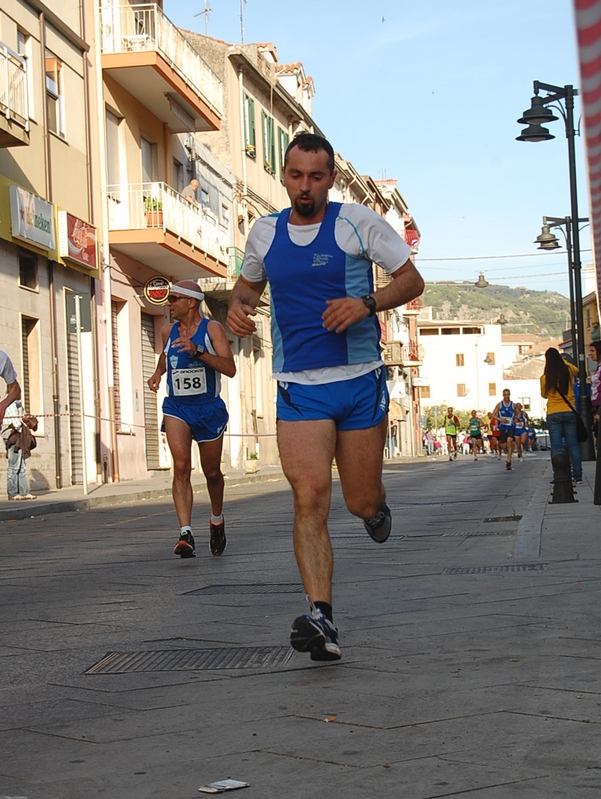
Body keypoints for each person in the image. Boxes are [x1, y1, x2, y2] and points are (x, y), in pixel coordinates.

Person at [226, 132, 424, 662]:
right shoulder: (264, 234)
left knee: (359, 500)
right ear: (284, 175)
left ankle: (375, 509)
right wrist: (237, 311)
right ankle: (322, 617)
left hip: (359, 381)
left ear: (330, 179)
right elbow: (245, 291)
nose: (305, 187)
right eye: (296, 176)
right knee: (309, 498)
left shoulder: (358, 224)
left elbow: (411, 281)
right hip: (299, 389)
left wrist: (366, 304)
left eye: (316, 177)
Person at [148, 280, 236, 558]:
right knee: (181, 466)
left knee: (211, 472)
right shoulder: (167, 330)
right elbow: (166, 358)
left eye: (173, 299)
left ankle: (217, 520)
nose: (169, 304)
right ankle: (185, 532)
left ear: (191, 302)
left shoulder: (213, 330)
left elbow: (230, 368)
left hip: (208, 408)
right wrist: (157, 373)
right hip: (177, 408)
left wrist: (198, 351)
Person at [540, 347, 583, 484]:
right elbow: (576, 369)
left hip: (553, 413)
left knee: (556, 445)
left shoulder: (545, 378)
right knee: (572, 445)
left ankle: (558, 475)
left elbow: (544, 395)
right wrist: (563, 361)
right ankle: (578, 476)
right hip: (570, 411)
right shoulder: (568, 371)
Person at [492, 388, 516, 471]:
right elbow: (492, 414)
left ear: (510, 394)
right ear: (503, 395)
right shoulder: (499, 405)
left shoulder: (513, 405)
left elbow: (519, 413)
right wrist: (500, 420)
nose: (506, 396)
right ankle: (506, 451)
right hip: (502, 427)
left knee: (510, 441)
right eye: (505, 395)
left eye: (508, 394)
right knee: (503, 446)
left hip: (511, 426)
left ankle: (508, 461)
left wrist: (517, 418)